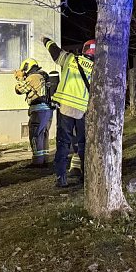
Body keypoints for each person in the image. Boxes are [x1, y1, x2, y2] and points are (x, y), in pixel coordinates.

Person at [43, 36, 95, 188]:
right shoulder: (97, 68)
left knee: (63, 144)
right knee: (84, 144)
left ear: (84, 50)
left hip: (65, 109)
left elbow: (55, 52)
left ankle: (61, 178)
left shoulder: (71, 59)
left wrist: (46, 40)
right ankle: (86, 178)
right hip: (82, 111)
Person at [14, 58, 53, 167]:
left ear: (27, 67)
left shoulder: (33, 77)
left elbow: (20, 90)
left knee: (35, 135)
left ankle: (37, 161)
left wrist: (19, 78)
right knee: (44, 134)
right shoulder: (43, 75)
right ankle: (45, 159)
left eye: (24, 69)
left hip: (38, 111)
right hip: (48, 110)